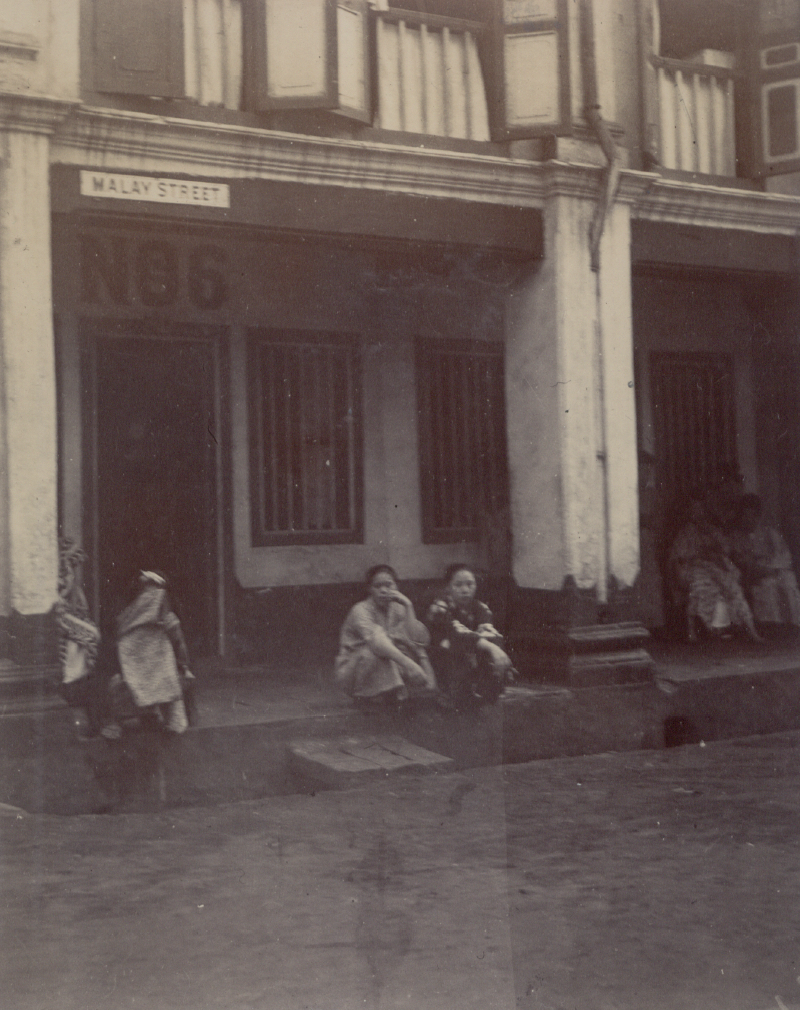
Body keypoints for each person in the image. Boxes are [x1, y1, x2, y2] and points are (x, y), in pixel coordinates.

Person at [335, 565, 436, 706]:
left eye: (388, 585)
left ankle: (393, 695)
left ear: (396, 587)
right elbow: (377, 641)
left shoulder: (398, 608)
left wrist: (408, 605)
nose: (383, 590)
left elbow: (417, 639)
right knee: (375, 652)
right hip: (354, 670)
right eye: (377, 586)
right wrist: (410, 665)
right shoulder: (360, 610)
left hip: (386, 665)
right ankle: (368, 697)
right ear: (369, 589)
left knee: (401, 647)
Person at [668, 495, 760, 640]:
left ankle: (750, 629)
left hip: (715, 566)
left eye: (700, 509)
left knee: (733, 587)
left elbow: (726, 549)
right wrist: (700, 555)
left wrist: (715, 549)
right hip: (695, 568)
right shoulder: (684, 533)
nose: (698, 513)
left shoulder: (712, 530)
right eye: (694, 510)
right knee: (704, 587)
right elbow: (680, 557)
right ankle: (705, 628)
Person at [115, 570, 194, 734]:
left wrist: (183, 664)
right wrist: (184, 664)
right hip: (147, 665)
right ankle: (162, 717)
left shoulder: (133, 615)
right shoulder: (136, 615)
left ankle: (162, 717)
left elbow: (177, 638)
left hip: (148, 665)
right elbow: (178, 640)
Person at [424, 564, 513, 707]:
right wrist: (490, 647)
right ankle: (452, 695)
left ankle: (486, 693)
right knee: (459, 646)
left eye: (470, 584)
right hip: (440, 657)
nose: (465, 590)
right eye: (458, 585)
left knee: (493, 643)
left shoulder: (480, 607)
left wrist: (495, 650)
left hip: (470, 654)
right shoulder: (439, 607)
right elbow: (456, 633)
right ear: (448, 587)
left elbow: (489, 631)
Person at [54, 538, 112, 737]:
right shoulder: (63, 586)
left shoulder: (73, 591)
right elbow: (91, 635)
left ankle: (98, 724)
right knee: (86, 677)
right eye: (71, 565)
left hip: (73, 637)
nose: (71, 573)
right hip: (67, 633)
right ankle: (98, 724)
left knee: (89, 676)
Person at [729, 494, 800, 631]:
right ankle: (772, 625)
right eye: (744, 515)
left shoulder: (771, 533)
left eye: (751, 516)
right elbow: (740, 561)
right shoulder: (736, 537)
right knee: (768, 585)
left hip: (773, 571)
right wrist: (760, 568)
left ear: (757, 516)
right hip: (754, 575)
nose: (748, 520)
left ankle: (794, 625)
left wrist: (772, 568)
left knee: (788, 580)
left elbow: (784, 557)